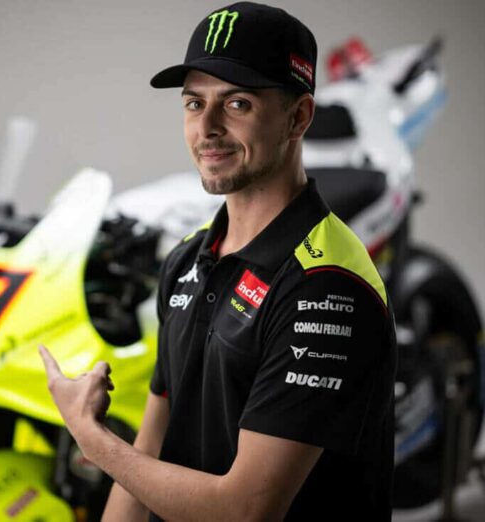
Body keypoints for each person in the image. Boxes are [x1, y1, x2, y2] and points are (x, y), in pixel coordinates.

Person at [39, 2, 397, 520]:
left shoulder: (327, 287)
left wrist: (92, 439)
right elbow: (151, 446)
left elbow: (245, 511)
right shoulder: (188, 259)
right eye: (193, 103)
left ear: (298, 117)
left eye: (236, 104)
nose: (206, 127)